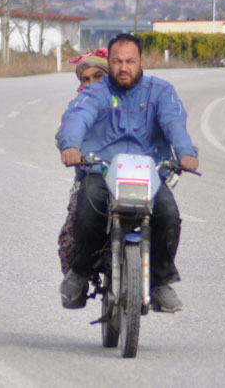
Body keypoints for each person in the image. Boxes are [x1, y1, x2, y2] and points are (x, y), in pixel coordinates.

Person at [56, 33, 199, 313]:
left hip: (148, 174)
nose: (124, 67)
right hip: (101, 170)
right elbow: (77, 118)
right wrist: (71, 146)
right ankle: (81, 272)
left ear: (141, 61)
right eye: (117, 61)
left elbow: (174, 123)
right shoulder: (94, 92)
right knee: (88, 212)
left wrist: (186, 152)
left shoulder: (160, 91)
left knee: (168, 215)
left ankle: (159, 283)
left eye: (130, 61)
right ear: (109, 63)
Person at [57, 48, 108, 273]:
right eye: (85, 79)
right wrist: (70, 146)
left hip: (132, 179)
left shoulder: (130, 101)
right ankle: (77, 276)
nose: (91, 83)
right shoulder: (79, 105)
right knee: (75, 231)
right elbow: (69, 128)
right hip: (93, 176)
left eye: (98, 76)